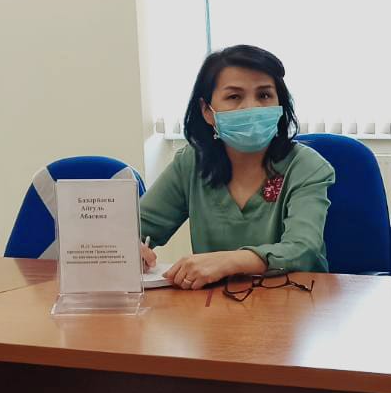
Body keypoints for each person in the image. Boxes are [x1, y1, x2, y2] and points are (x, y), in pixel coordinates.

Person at [139, 45, 335, 290]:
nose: (251, 107)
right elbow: (133, 229)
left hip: (293, 299)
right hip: (211, 304)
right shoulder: (191, 163)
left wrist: (229, 262)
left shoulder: (306, 166)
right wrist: (128, 248)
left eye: (264, 95)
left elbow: (303, 250)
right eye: (234, 97)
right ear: (207, 111)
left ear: (280, 105)